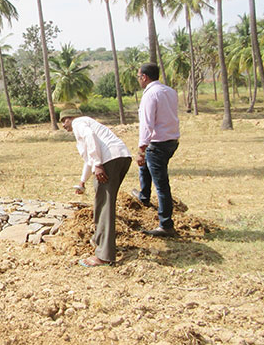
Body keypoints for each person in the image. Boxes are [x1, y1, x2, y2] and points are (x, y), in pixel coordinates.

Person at [61, 108, 132, 267]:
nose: (63, 125)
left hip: (108, 160)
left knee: (104, 206)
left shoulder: (79, 122)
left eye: (64, 120)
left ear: (72, 117)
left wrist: (98, 164)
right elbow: (89, 159)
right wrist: (82, 182)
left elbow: (90, 138)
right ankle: (100, 241)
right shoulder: (88, 123)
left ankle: (104, 256)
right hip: (121, 157)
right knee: (104, 203)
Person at [134, 63, 180, 237]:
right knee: (145, 168)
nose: (139, 80)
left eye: (139, 77)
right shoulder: (169, 91)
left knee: (161, 185)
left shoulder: (150, 95)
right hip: (171, 140)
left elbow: (147, 124)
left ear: (144, 77)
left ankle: (166, 224)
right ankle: (144, 197)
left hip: (158, 143)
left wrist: (141, 149)